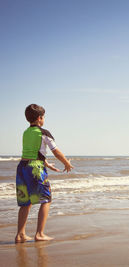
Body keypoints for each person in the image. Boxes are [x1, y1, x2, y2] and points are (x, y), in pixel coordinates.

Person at [15, 104, 74, 243]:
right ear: (40, 118)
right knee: (46, 199)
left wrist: (46, 163)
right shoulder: (43, 132)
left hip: (22, 167)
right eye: (44, 117)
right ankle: (39, 234)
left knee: (25, 202)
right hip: (35, 169)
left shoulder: (26, 132)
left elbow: (32, 151)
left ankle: (20, 235)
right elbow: (55, 150)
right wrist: (66, 163)